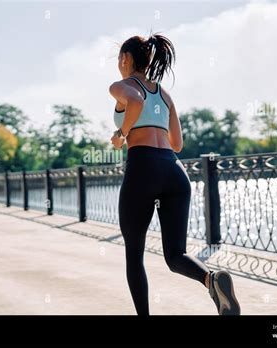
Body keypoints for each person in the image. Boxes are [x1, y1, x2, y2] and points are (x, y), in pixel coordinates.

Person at [109, 34, 240, 316]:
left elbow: (134, 103)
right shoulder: (164, 94)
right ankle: (211, 279)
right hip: (173, 171)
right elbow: (177, 144)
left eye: (119, 58)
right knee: (175, 255)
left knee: (134, 255)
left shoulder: (121, 86)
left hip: (143, 168)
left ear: (126, 59)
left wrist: (122, 134)